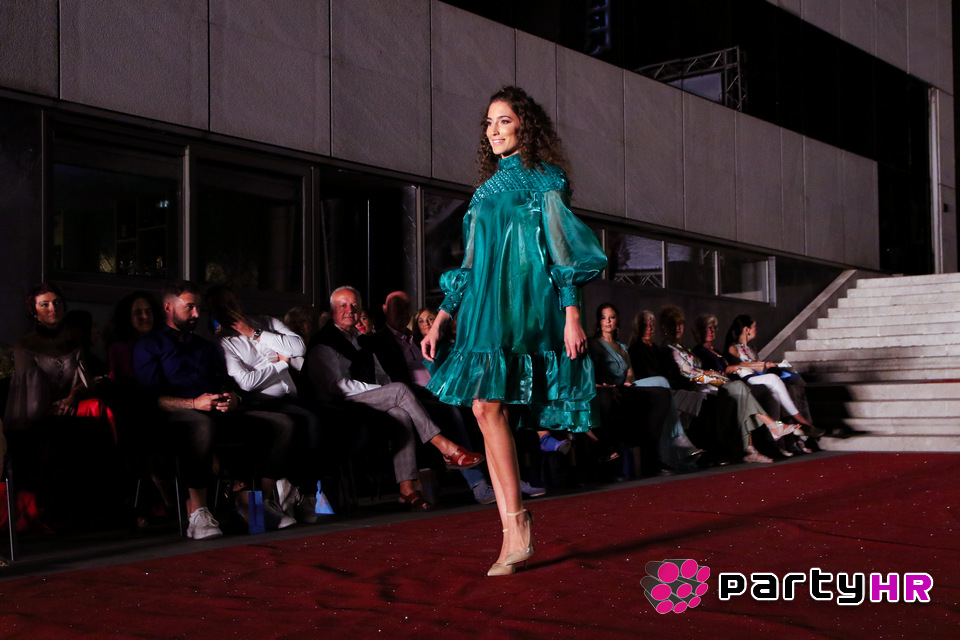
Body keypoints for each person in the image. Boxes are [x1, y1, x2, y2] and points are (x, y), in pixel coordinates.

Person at [421, 86, 608, 576]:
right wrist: (443, 316)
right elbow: (470, 262)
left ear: (525, 124)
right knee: (484, 408)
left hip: (528, 307)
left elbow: (563, 249)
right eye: (488, 123)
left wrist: (572, 313)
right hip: (484, 309)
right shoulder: (483, 192)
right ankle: (513, 525)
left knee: (491, 407)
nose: (494, 130)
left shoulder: (548, 178)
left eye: (503, 120)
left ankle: (515, 526)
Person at [133, 281, 297, 538]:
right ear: (168, 308)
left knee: (280, 424)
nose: (196, 314)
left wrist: (234, 399)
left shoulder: (204, 346)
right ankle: (197, 513)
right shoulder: (149, 345)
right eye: (190, 307)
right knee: (201, 424)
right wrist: (193, 403)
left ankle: (257, 505)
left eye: (198, 308)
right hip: (171, 419)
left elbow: (225, 383)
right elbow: (150, 399)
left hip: (213, 410)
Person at [306, 286, 485, 511]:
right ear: (333, 309)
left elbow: (381, 374)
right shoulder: (324, 342)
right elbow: (336, 386)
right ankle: (445, 447)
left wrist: (387, 391)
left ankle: (406, 488)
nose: (349, 310)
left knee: (401, 413)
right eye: (343, 305)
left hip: (363, 400)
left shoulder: (361, 340)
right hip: (335, 405)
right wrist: (386, 391)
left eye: (354, 305)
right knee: (400, 390)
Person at [3, 283, 121, 527]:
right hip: (36, 415)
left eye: (56, 302)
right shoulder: (25, 346)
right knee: (59, 436)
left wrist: (71, 398)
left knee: (97, 420)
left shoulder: (73, 340)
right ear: (34, 312)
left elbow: (82, 381)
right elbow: (30, 394)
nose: (52, 308)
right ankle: (57, 512)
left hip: (68, 408)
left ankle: (104, 505)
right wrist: (55, 407)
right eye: (44, 304)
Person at [206, 285, 327, 523]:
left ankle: (302, 492)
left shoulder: (266, 322)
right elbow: (247, 382)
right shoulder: (222, 342)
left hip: (291, 397)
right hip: (261, 402)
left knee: (324, 417)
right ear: (214, 313)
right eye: (221, 307)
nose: (228, 310)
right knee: (307, 422)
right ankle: (296, 493)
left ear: (239, 301)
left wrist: (254, 333)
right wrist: (281, 363)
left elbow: (299, 347)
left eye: (231, 302)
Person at [660, 306, 798, 463]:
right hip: (703, 387)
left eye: (680, 324)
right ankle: (770, 429)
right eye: (673, 324)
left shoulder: (684, 348)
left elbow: (700, 371)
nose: (678, 328)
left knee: (744, 391)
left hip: (717, 384)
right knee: (743, 388)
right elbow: (688, 373)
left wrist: (715, 374)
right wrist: (713, 375)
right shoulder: (670, 349)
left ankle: (758, 443)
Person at [588, 303, 699, 472]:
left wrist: (627, 380)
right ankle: (678, 438)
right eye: (604, 318)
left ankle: (674, 442)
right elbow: (591, 371)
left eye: (611, 317)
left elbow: (630, 373)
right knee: (662, 384)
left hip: (627, 385)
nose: (608, 321)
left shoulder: (622, 347)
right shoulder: (594, 344)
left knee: (662, 385)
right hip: (608, 387)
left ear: (617, 321)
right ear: (599, 321)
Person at [723, 314, 819, 437]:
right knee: (774, 379)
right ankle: (802, 421)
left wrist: (769, 367)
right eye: (754, 327)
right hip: (745, 381)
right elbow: (737, 367)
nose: (757, 330)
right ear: (747, 330)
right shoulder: (733, 348)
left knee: (784, 387)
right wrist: (761, 365)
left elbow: (759, 369)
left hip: (758, 378)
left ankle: (778, 434)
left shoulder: (752, 348)